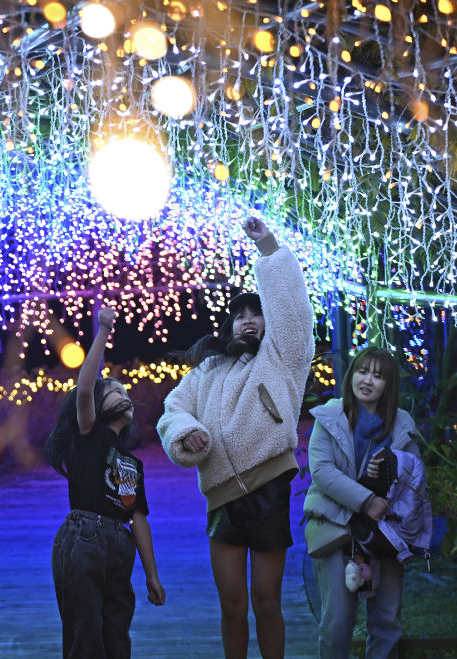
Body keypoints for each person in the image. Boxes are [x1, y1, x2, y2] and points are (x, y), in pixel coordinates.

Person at [158, 216, 315, 659]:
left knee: (267, 604)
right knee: (231, 608)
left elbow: (292, 311)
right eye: (239, 316)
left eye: (256, 314)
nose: (248, 322)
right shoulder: (207, 371)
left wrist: (268, 247)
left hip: (268, 490)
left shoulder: (283, 355)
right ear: (227, 327)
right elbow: (174, 410)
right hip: (222, 499)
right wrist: (187, 433)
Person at [47, 306, 165, 659]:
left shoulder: (131, 461)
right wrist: (103, 331)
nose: (123, 394)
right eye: (113, 391)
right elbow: (84, 390)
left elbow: (139, 518)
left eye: (126, 391)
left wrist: (152, 576)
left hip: (120, 545)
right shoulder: (89, 436)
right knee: (86, 635)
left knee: (117, 635)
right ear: (97, 406)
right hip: (85, 538)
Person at [303, 346, 431, 658]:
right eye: (362, 371)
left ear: (388, 384)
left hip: (385, 533)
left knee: (387, 620)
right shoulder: (330, 416)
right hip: (337, 528)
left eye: (378, 375)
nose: (367, 380)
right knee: (337, 622)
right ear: (351, 376)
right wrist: (366, 500)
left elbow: (413, 478)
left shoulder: (402, 424)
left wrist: (390, 466)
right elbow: (321, 470)